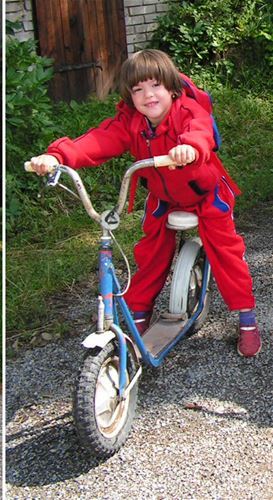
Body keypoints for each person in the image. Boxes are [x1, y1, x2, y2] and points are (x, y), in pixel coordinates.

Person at [28, 49, 260, 357]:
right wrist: (58, 156)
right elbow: (98, 140)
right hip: (164, 198)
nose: (148, 95)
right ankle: (139, 313)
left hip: (205, 194)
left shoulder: (188, 112)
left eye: (155, 86)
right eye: (138, 89)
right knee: (149, 255)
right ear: (130, 95)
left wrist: (189, 148)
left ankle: (246, 319)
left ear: (171, 88)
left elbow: (200, 131)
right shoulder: (132, 122)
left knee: (226, 253)